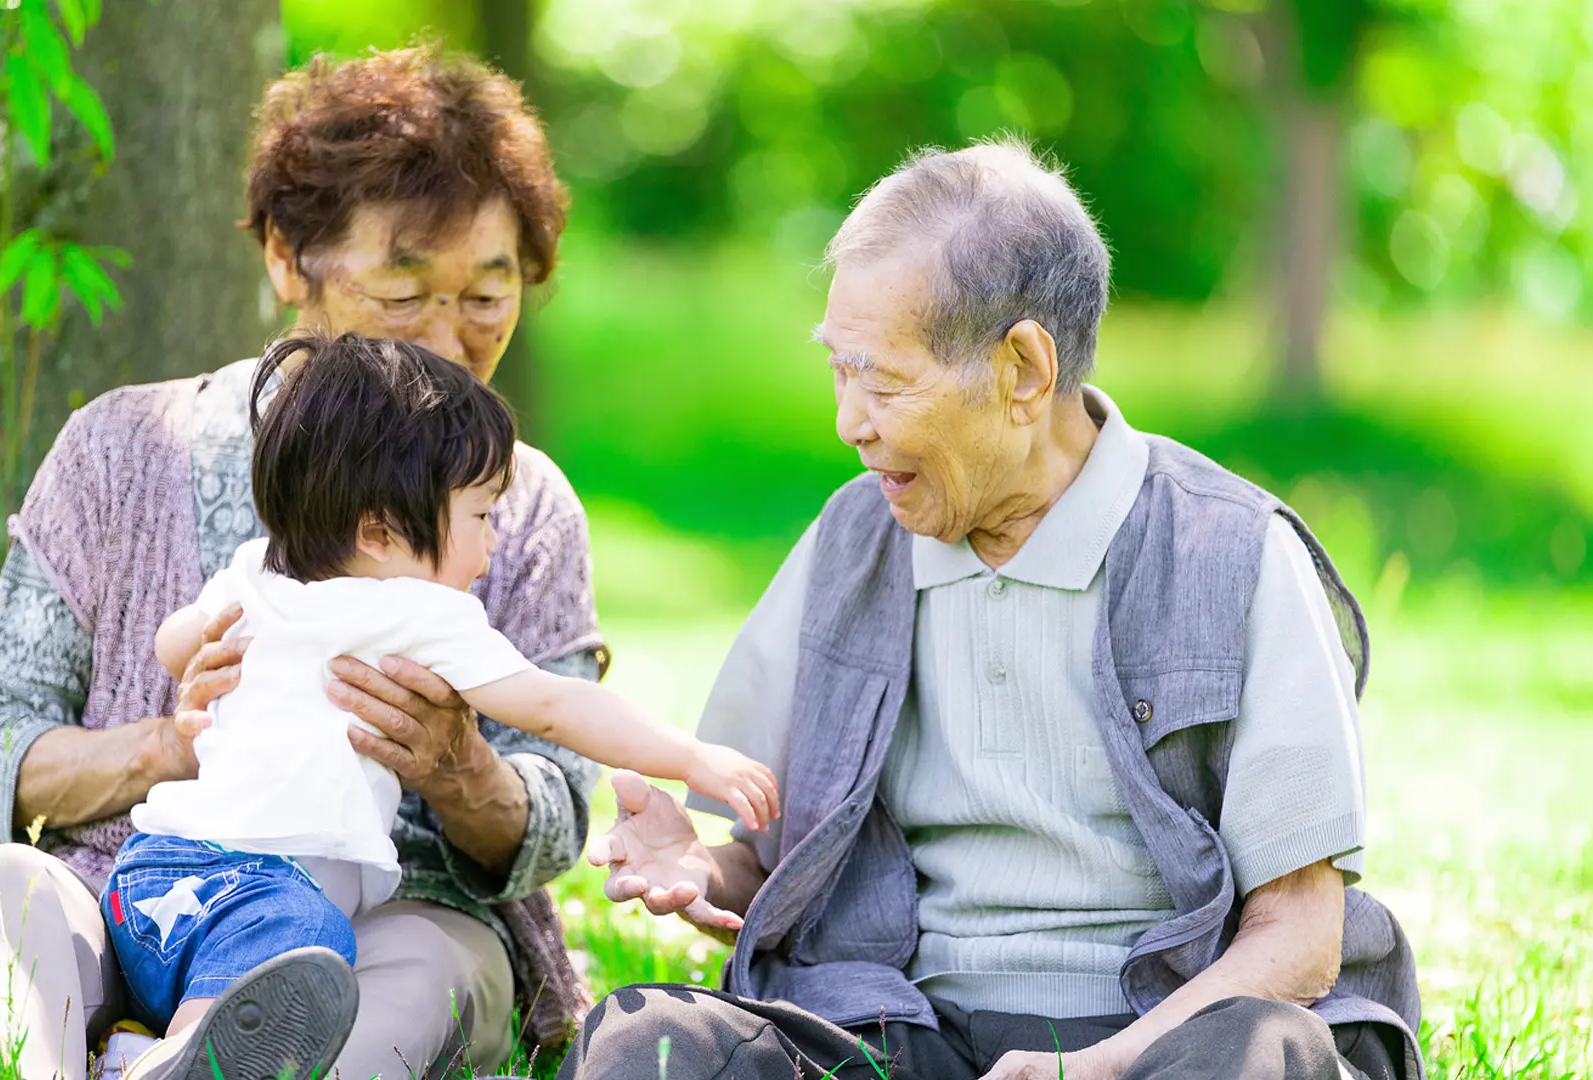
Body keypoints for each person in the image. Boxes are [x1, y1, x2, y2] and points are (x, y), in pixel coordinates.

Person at [569, 141, 1421, 1080]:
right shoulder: (852, 542)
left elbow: (1300, 936)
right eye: (839, 371)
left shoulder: (1233, 550)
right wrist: (703, 871)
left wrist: (1100, 1068)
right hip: (901, 1028)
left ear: (1023, 369)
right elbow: (781, 867)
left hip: (1158, 1036)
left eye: (884, 381)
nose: (850, 422)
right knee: (647, 1043)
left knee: (1263, 1054)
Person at [0, 46, 608, 1080]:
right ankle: (38, 1057)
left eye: (485, 297)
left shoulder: (524, 505)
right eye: (403, 290)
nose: (444, 339)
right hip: (137, 891)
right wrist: (170, 745)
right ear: (289, 259)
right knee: (12, 892)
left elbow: (558, 813)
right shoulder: (121, 449)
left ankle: (169, 1063)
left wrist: (459, 767)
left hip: (379, 919)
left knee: (418, 975)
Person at [105, 333, 777, 1078]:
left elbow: (173, 643)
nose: (490, 546)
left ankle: (135, 1052)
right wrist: (689, 757)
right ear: (379, 532)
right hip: (263, 898)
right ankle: (175, 1062)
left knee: (266, 963)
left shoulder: (255, 572)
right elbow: (555, 706)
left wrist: (202, 652)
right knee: (296, 946)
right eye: (481, 516)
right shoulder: (419, 613)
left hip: (153, 873)